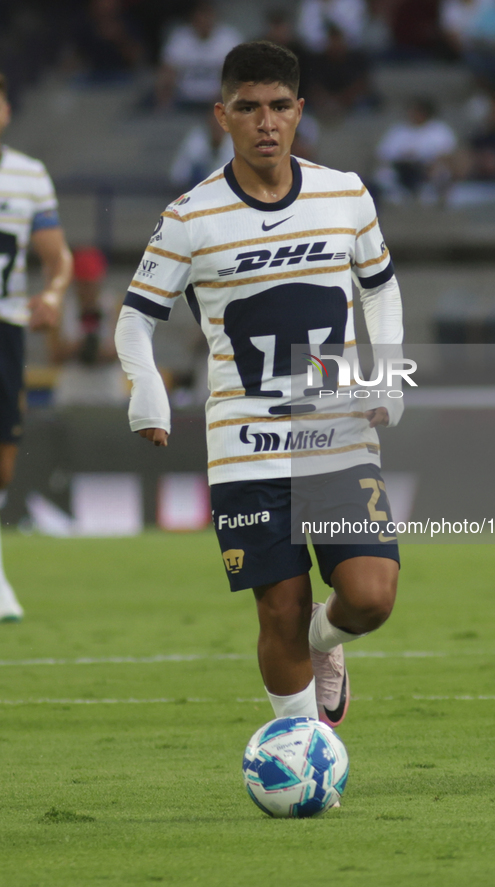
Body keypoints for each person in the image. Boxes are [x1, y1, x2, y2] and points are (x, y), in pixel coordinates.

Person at [115, 41, 403, 726]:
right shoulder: (190, 218)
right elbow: (134, 320)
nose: (265, 122)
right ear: (223, 115)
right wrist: (145, 388)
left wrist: (385, 371)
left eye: (278, 107)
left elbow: (380, 287)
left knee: (370, 595)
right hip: (244, 439)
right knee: (278, 604)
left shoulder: (345, 193)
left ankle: (323, 642)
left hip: (334, 426)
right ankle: (305, 749)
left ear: (299, 111)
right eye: (248, 108)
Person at [0, 73, 72, 622]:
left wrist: (50, 293)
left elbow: (57, 256)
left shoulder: (26, 175)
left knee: (3, 460)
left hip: (7, 326)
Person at [49, 247, 128, 406]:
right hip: (72, 392)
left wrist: (101, 353)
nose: (87, 290)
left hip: (108, 391)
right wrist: (77, 347)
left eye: (91, 284)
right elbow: (54, 355)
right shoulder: (62, 309)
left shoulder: (116, 307)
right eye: (83, 284)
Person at [156, 1, 242, 111]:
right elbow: (167, 70)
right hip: (183, 99)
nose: (204, 20)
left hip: (218, 101)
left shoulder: (229, 37)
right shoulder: (180, 36)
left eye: (207, 15)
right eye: (200, 15)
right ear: (192, 18)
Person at [373, 97, 458, 203]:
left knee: (442, 173)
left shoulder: (439, 129)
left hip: (428, 168)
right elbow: (383, 153)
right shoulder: (398, 130)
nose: (413, 114)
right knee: (383, 175)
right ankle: (398, 198)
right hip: (401, 168)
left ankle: (430, 197)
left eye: (417, 111)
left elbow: (447, 153)